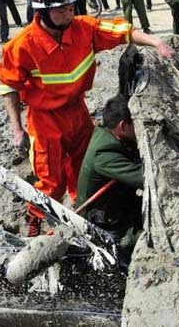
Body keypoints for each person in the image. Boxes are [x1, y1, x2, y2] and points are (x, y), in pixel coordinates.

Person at [0, 0, 176, 237]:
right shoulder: (21, 47)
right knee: (50, 182)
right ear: (43, 10)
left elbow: (121, 31)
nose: (69, 14)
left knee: (82, 172)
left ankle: (81, 214)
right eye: (62, 10)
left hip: (78, 112)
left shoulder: (83, 29)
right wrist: (17, 129)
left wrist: (157, 42)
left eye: (71, 8)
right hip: (45, 121)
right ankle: (34, 225)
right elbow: (9, 86)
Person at [77, 95, 143, 258]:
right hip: (105, 222)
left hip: (118, 202)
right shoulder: (105, 153)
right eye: (136, 124)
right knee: (138, 240)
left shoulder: (109, 135)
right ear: (122, 126)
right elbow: (144, 178)